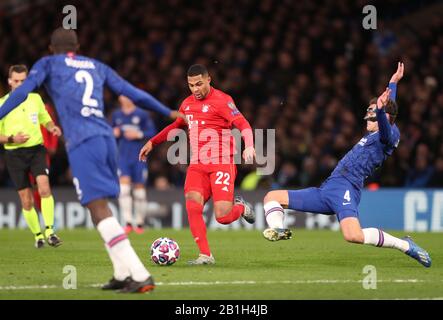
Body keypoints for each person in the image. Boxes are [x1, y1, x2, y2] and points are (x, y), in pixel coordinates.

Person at [0, 28, 184, 293]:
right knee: (98, 206)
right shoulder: (96, 65)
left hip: (84, 142)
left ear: (52, 49)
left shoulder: (48, 64)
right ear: (77, 46)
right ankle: (122, 274)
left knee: (97, 207)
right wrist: (166, 110)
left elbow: (20, 94)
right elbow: (132, 92)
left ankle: (141, 274)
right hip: (107, 139)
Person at [262, 62, 432, 268]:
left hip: (346, 187)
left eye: (373, 111)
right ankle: (279, 230)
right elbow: (389, 109)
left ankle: (405, 245)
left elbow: (387, 119)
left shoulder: (388, 136)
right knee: (272, 197)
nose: (369, 115)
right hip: (328, 189)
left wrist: (379, 108)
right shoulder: (379, 128)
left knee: (353, 236)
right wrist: (393, 83)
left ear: (384, 116)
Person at [139, 64, 256, 265]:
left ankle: (241, 208)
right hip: (198, 165)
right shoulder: (187, 104)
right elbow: (176, 126)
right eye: (191, 85)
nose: (195, 89)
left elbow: (243, 124)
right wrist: (153, 141)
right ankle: (205, 255)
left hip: (221, 163)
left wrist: (250, 146)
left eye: (199, 84)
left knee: (223, 217)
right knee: (192, 206)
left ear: (209, 79)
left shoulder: (223, 101)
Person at [0, 65, 62, 249]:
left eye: (23, 81)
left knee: (44, 187)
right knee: (26, 200)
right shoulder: (2, 103)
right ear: (10, 81)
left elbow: (45, 118)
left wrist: (52, 127)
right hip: (14, 154)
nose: (19, 84)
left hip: (36, 151)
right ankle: (38, 236)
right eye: (16, 81)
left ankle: (50, 231)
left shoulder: (35, 99)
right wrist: (12, 138)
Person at [111, 95, 157, 234]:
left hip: (139, 157)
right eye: (124, 96)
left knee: (139, 192)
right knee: (124, 190)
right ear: (120, 98)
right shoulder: (116, 115)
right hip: (122, 157)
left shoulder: (142, 114)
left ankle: (140, 222)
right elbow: (109, 131)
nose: (127, 98)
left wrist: (138, 134)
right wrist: (113, 133)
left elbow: (152, 132)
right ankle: (128, 221)